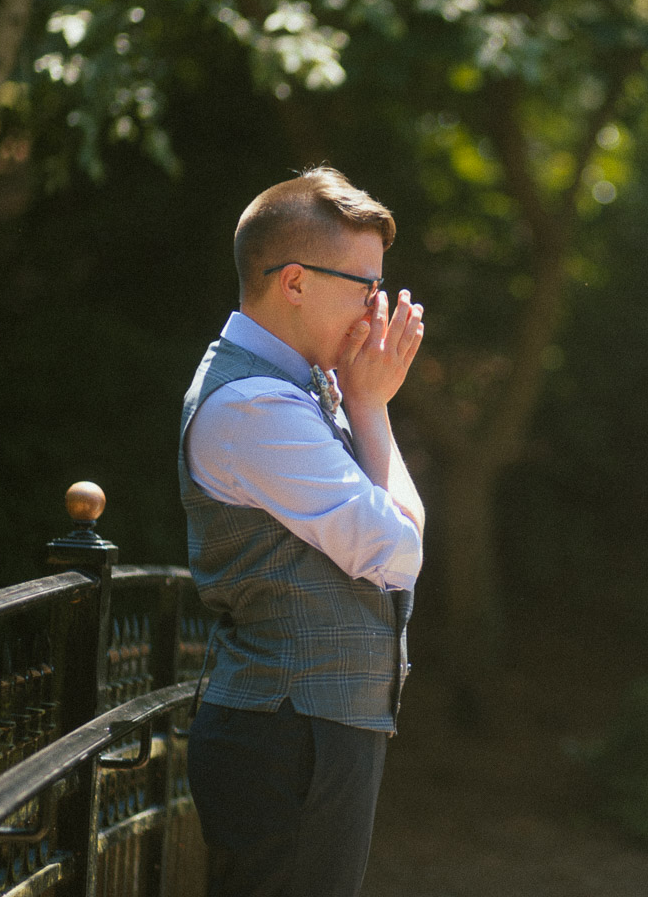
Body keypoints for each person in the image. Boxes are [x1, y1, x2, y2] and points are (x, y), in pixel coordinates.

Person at [178, 167, 426, 897]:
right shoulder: (255, 404)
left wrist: (361, 399)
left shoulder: (294, 384)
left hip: (307, 733)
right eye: (364, 286)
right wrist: (372, 409)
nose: (375, 310)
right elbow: (397, 551)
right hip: (287, 739)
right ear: (294, 282)